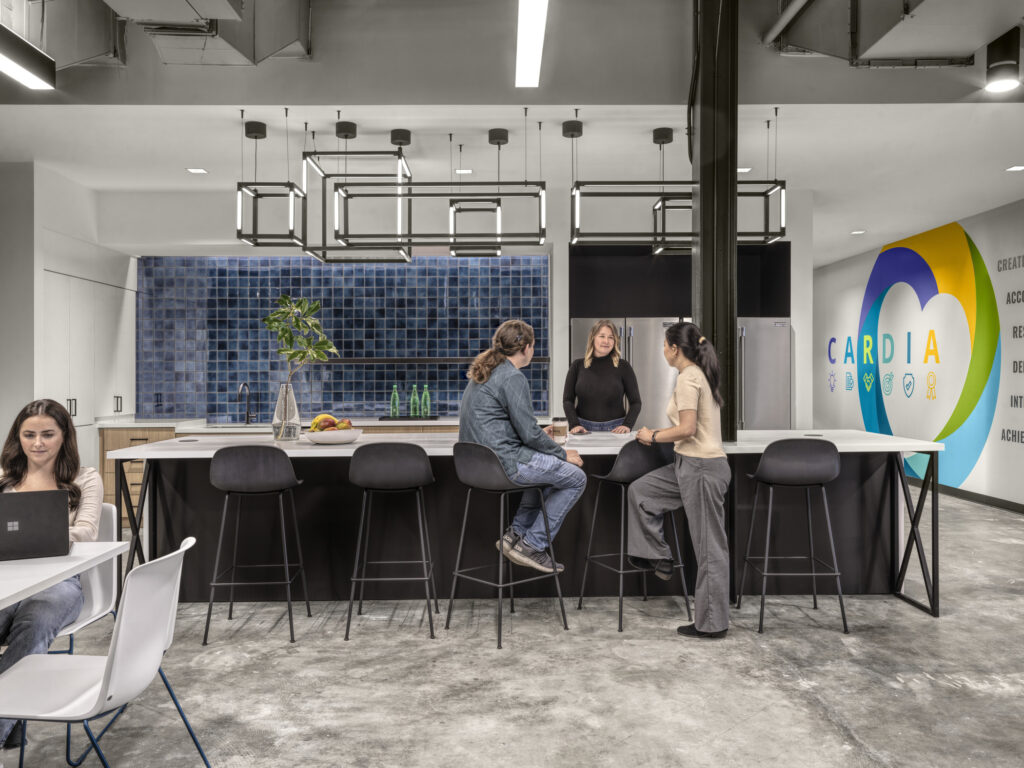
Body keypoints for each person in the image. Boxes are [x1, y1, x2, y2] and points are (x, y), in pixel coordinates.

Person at [0, 399, 102, 749]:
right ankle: (10, 728)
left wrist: (37, 535)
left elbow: (87, 531)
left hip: (61, 581)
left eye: (47, 434)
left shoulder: (85, 478)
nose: (38, 443)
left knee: (36, 622)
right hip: (8, 581)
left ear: (64, 437)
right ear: (18, 437)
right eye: (29, 435)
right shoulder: (2, 481)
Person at [627, 322, 731, 639]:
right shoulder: (697, 374)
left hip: (702, 468)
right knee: (641, 492)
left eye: (664, 346)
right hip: (687, 465)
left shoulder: (689, 378)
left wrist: (653, 435)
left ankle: (712, 624)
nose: (662, 351)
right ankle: (659, 556)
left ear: (675, 348)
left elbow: (687, 428)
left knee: (709, 549)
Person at [460, 319, 587, 574]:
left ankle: (514, 536)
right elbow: (528, 436)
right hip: (505, 464)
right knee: (576, 478)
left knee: (544, 477)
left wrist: (539, 434)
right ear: (527, 347)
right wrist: (563, 453)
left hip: (475, 465)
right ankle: (532, 544)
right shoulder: (511, 376)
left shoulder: (485, 373)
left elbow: (508, 427)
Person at [562, 320, 641, 434]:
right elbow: (567, 400)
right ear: (593, 338)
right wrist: (574, 424)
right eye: (602, 336)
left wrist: (627, 425)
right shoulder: (577, 365)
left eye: (611, 337)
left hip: (616, 429)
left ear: (615, 341)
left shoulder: (624, 366)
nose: (606, 341)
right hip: (582, 429)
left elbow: (636, 402)